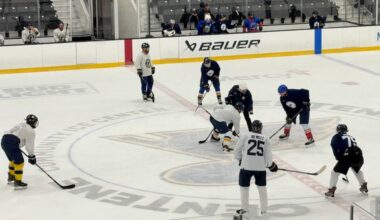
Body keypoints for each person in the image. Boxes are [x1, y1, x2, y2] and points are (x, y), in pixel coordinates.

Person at [234, 120, 278, 217]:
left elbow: (237, 150)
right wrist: (271, 165)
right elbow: (268, 156)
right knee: (262, 189)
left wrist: (240, 159)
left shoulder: (245, 135)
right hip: (260, 168)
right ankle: (264, 210)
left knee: (244, 188)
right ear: (261, 128)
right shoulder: (266, 138)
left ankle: (245, 209)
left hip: (246, 166)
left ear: (251, 127)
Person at [325, 124, 368, 197]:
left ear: (338, 130)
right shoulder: (351, 137)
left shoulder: (337, 136)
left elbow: (333, 145)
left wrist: (338, 156)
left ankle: (331, 190)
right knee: (356, 169)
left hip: (348, 156)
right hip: (359, 156)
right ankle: (363, 185)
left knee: (334, 172)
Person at [1, 115, 39, 189]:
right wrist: (32, 156)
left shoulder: (21, 124)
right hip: (12, 143)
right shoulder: (31, 131)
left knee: (13, 160)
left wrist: (14, 143)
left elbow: (11, 132)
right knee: (19, 162)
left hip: (4, 140)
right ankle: (18, 181)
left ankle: (11, 177)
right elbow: (29, 145)